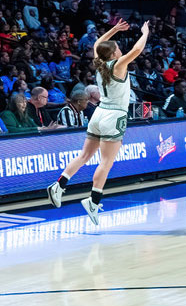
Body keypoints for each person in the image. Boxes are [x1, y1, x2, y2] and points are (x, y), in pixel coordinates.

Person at [47, 20, 148, 224]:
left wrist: (114, 30)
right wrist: (145, 32)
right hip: (114, 116)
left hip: (99, 113)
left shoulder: (99, 62)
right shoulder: (118, 65)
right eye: (117, 48)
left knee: (84, 155)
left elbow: (97, 45)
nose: (120, 50)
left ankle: (59, 185)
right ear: (113, 54)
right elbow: (137, 48)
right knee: (106, 162)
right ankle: (93, 201)